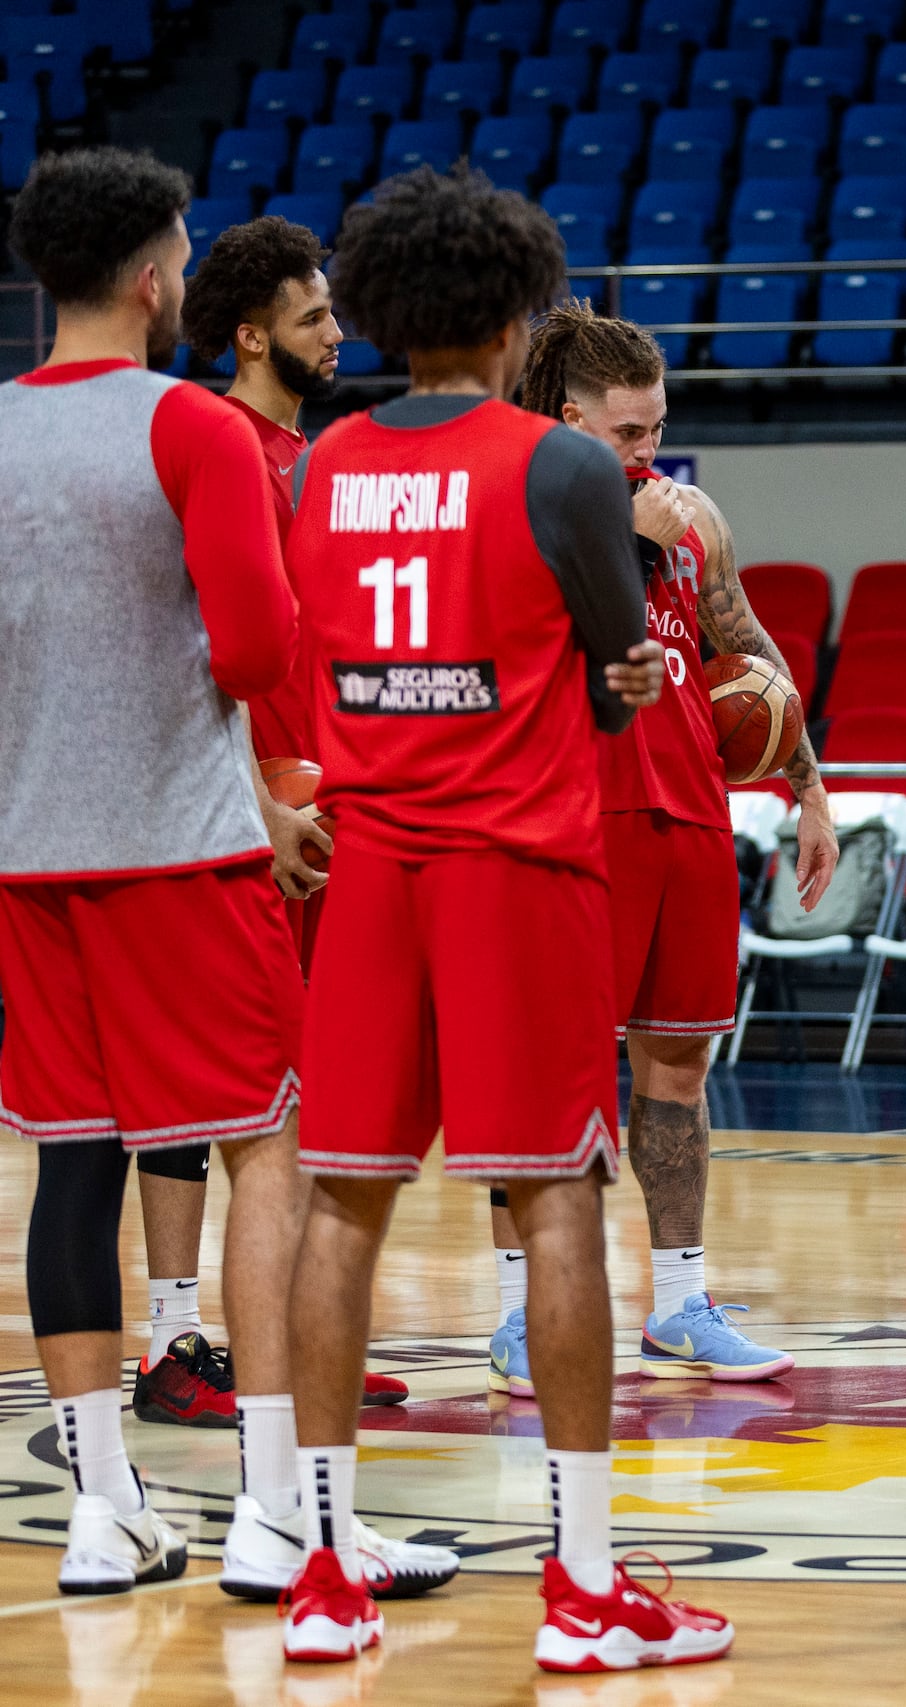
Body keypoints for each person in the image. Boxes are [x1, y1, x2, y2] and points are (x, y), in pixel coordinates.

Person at [278, 166, 730, 1674]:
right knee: (556, 1206)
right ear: (521, 317)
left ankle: (323, 1570)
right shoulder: (564, 467)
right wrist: (629, 680)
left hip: (370, 868)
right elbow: (618, 668)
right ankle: (585, 1584)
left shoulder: (320, 467)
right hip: (517, 870)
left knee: (341, 1203)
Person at [0, 148, 442, 1606]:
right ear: (151, 279)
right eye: (183, 255)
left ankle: (103, 1510)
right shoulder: (188, 425)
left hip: (27, 856)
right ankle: (275, 1508)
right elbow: (256, 649)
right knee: (274, 1149)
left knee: (73, 1163)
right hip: (183, 851)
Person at [480, 300, 838, 1397]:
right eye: (628, 431)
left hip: (687, 818)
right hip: (568, 821)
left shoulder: (692, 518)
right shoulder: (516, 498)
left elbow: (746, 644)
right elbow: (502, 647)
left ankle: (680, 1304)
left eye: (658, 427)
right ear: (568, 419)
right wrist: (622, 538)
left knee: (678, 1069)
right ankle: (518, 1316)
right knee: (548, 1074)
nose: (649, 450)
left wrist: (809, 786)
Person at [132, 215, 415, 1437]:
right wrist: (253, 792)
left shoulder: (324, 459)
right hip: (234, 808)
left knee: (307, 1083)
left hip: (326, 805)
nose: (337, 332)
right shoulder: (215, 445)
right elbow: (200, 648)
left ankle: (296, 1330)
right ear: (252, 336)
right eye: (313, 316)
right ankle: (171, 1343)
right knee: (208, 1089)